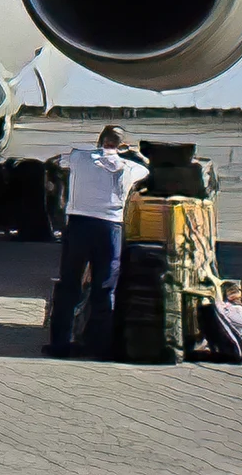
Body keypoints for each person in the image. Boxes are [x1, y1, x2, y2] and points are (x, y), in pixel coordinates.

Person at [44, 124, 148, 358]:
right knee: (104, 287)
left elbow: (53, 162)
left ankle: (59, 343)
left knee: (69, 284)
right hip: (109, 227)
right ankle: (100, 347)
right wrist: (132, 154)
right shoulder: (130, 167)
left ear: (100, 140)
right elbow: (147, 169)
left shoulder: (79, 157)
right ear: (121, 145)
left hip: (78, 225)